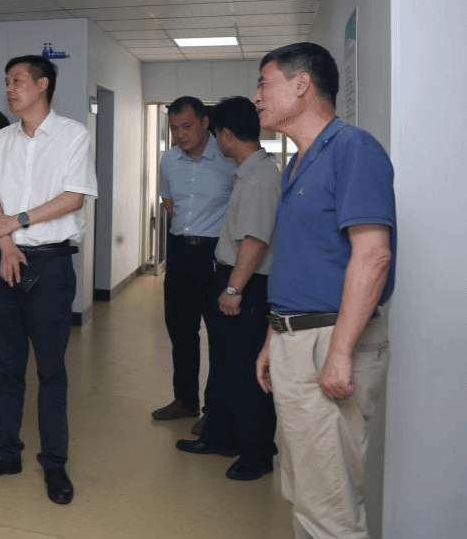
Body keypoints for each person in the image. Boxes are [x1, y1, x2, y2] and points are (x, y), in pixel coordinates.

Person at [254, 43, 396, 538]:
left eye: (264, 83)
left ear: (301, 84)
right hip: (296, 338)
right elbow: (303, 262)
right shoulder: (298, 163)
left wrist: (339, 353)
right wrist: (274, 337)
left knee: (328, 508)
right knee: (306, 491)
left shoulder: (352, 148)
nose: (257, 96)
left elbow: (373, 256)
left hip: (330, 341)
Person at [0, 55, 97, 506]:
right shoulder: (3, 138)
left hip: (50, 265)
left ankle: (54, 461)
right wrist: (5, 245)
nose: (9, 88)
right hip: (7, 260)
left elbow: (74, 197)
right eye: (6, 81)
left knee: (51, 368)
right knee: (5, 364)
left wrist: (17, 222)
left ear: (42, 85)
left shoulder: (72, 135)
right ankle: (6, 451)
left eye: (17, 80)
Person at [174, 97, 278, 481]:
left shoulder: (260, 178)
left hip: (246, 284)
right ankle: (221, 436)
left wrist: (233, 290)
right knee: (227, 365)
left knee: (248, 371)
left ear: (226, 135)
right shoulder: (248, 173)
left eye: (217, 133)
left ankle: (256, 452)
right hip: (234, 278)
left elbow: (255, 240)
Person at [151, 97, 235, 429]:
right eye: (173, 128)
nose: (180, 135)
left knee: (218, 333)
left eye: (186, 126)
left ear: (204, 122)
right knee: (180, 328)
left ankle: (214, 408)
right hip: (179, 252)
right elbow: (169, 202)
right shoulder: (169, 160)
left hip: (215, 254)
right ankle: (185, 400)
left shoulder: (228, 158)